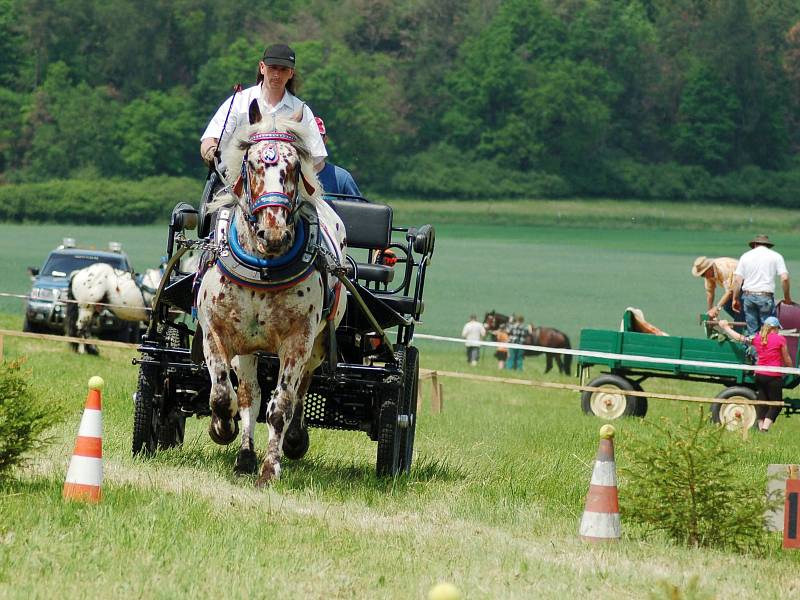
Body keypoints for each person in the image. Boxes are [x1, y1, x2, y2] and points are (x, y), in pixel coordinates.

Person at [717, 317, 792, 432]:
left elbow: (739, 338)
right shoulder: (780, 339)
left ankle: (761, 428)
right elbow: (786, 358)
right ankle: (765, 429)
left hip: (760, 375)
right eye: (777, 328)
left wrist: (725, 327)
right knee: (777, 405)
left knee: (762, 403)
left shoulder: (757, 338)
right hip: (774, 376)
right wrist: (791, 370)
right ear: (775, 328)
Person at [732, 235, 793, 335]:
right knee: (768, 331)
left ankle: (753, 350)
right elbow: (785, 278)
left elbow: (737, 280)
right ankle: (768, 350)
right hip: (765, 297)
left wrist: (735, 299)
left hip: (748, 297)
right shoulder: (776, 256)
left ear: (755, 245)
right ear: (767, 246)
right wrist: (787, 298)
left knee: (752, 332)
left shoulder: (745, 256)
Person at [314, 116, 361, 197]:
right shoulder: (289, 178)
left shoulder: (342, 179)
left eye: (316, 138)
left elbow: (359, 209)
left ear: (325, 140)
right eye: (306, 138)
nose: (311, 143)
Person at [691, 256, 744, 323]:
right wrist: (710, 312)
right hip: (736, 286)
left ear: (709, 268)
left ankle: (741, 326)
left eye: (703, 274)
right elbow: (710, 293)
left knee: (735, 304)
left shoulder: (724, 269)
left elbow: (731, 291)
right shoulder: (708, 274)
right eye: (702, 275)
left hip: (747, 282)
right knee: (727, 305)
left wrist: (716, 308)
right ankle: (742, 323)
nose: (703, 276)